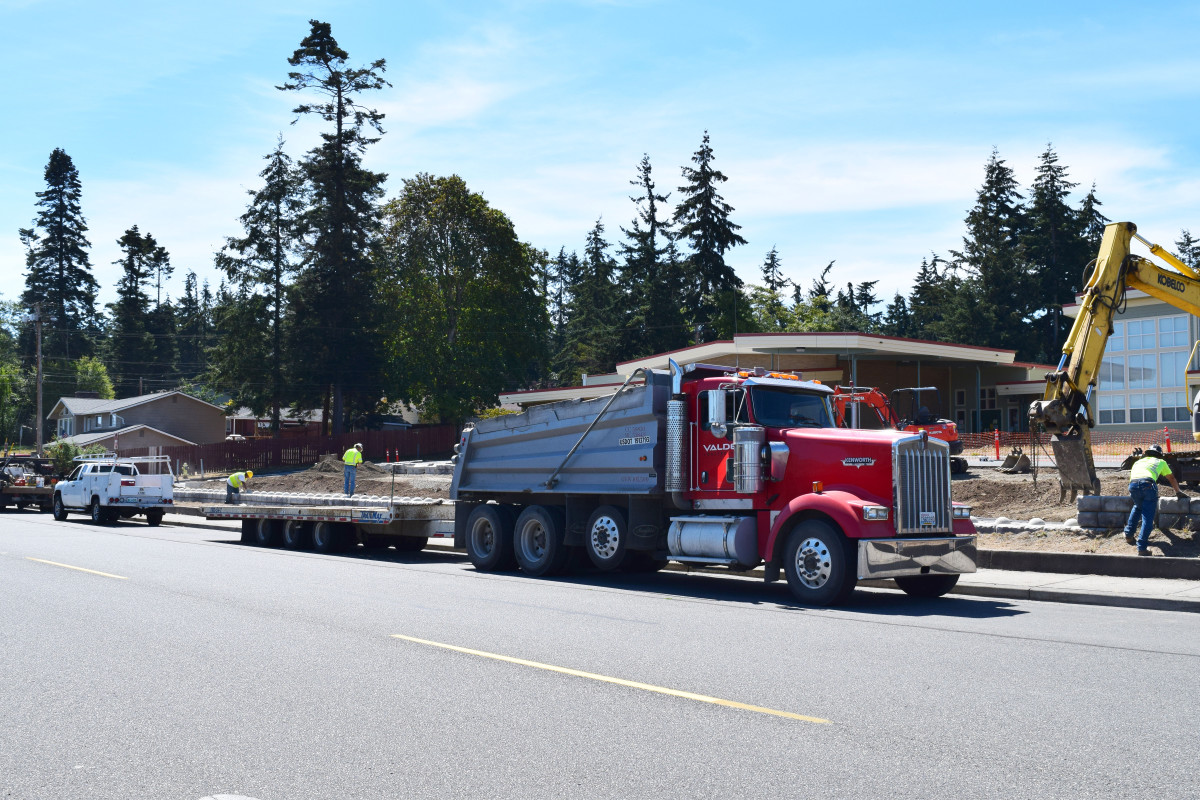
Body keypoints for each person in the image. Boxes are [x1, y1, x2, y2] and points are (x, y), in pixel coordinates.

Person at [1123, 446, 1183, 556]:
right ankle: (1141, 548)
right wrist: (1178, 492)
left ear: (1148, 453)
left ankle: (1128, 535)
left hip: (1133, 485)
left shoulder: (1139, 462)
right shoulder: (1161, 462)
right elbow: (1172, 478)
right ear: (1160, 454)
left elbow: (1134, 477)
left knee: (1137, 506)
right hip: (1148, 485)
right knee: (1147, 517)